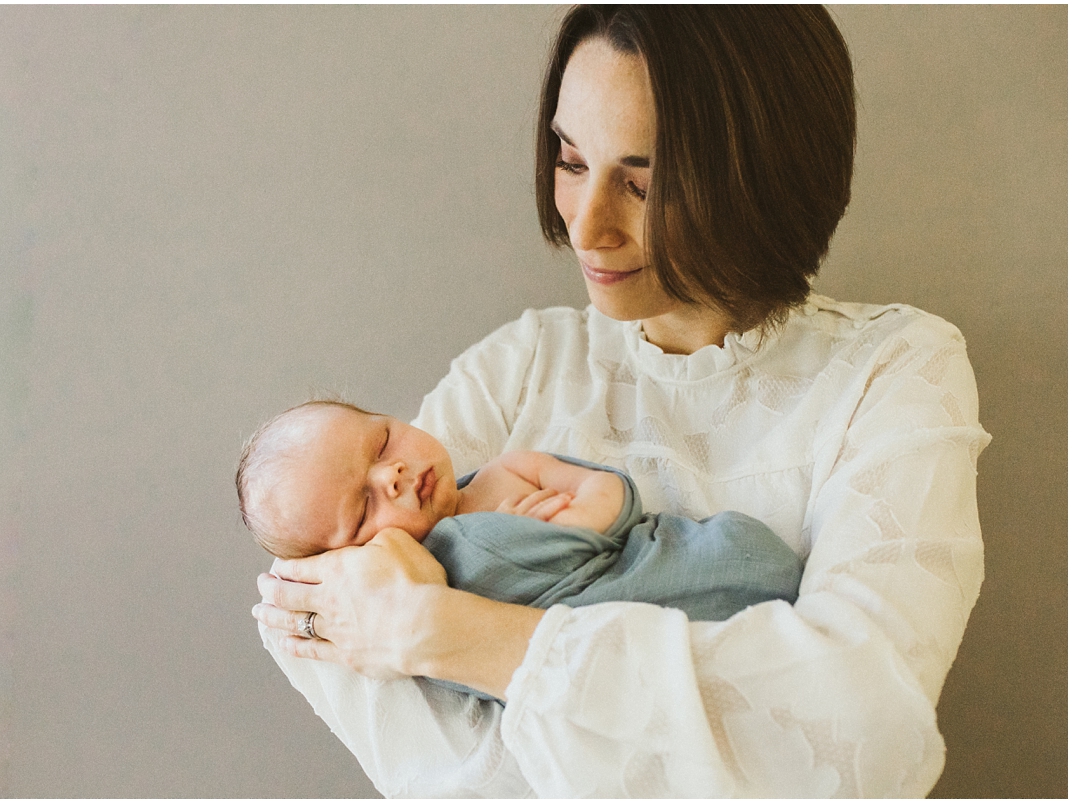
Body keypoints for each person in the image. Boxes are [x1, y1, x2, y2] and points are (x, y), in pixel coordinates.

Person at [251, 5, 990, 797]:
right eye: (570, 161)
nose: (588, 227)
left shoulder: (894, 369)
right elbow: (416, 739)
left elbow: (864, 733)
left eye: (642, 183)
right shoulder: (519, 365)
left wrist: (440, 630)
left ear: (764, 177)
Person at [237, 401, 803, 701]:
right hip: (595, 639)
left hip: (639, 565)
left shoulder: (508, 471)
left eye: (383, 441)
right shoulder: (423, 577)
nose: (394, 474)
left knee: (743, 557)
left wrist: (564, 525)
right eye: (362, 510)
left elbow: (612, 492)